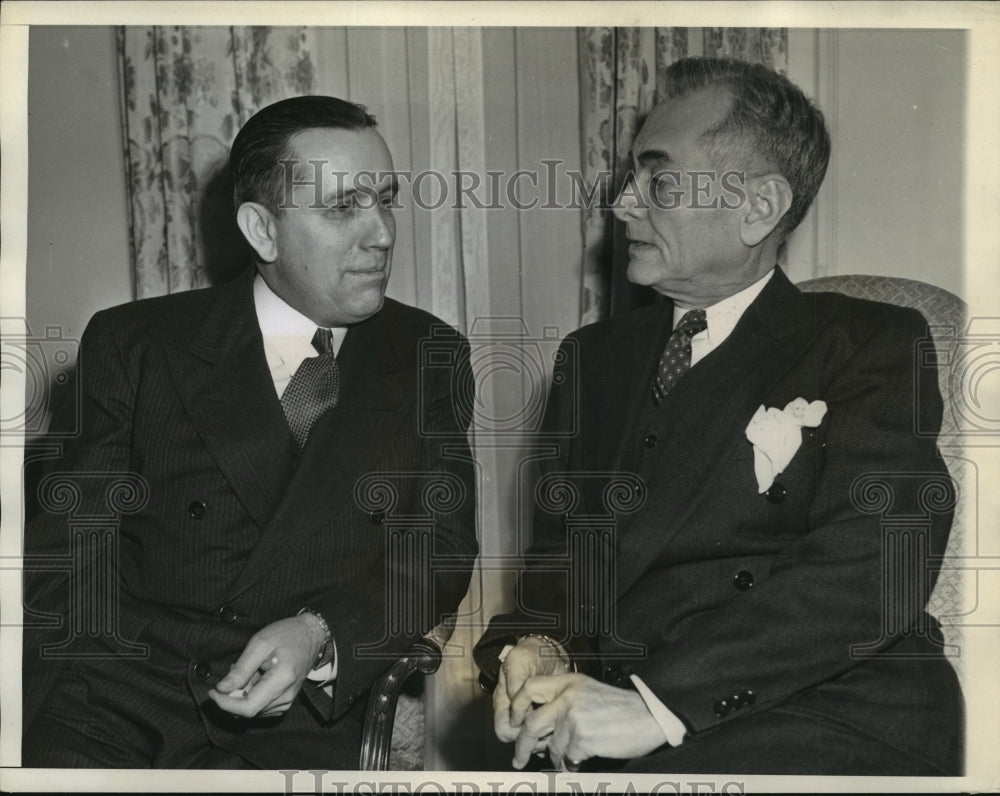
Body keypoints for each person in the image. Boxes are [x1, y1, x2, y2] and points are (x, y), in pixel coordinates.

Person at [475, 57, 962, 776]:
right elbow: (558, 570)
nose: (622, 205)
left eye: (659, 180)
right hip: (620, 719)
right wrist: (537, 647)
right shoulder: (593, 360)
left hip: (825, 710)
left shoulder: (869, 341)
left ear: (759, 208)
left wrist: (657, 704)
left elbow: (877, 562)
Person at [22, 96, 478, 769]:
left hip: (299, 717)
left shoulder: (427, 353)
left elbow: (438, 551)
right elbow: (67, 558)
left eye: (386, 200)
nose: (381, 233)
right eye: (343, 208)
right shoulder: (135, 344)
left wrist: (319, 634)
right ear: (261, 230)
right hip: (114, 705)